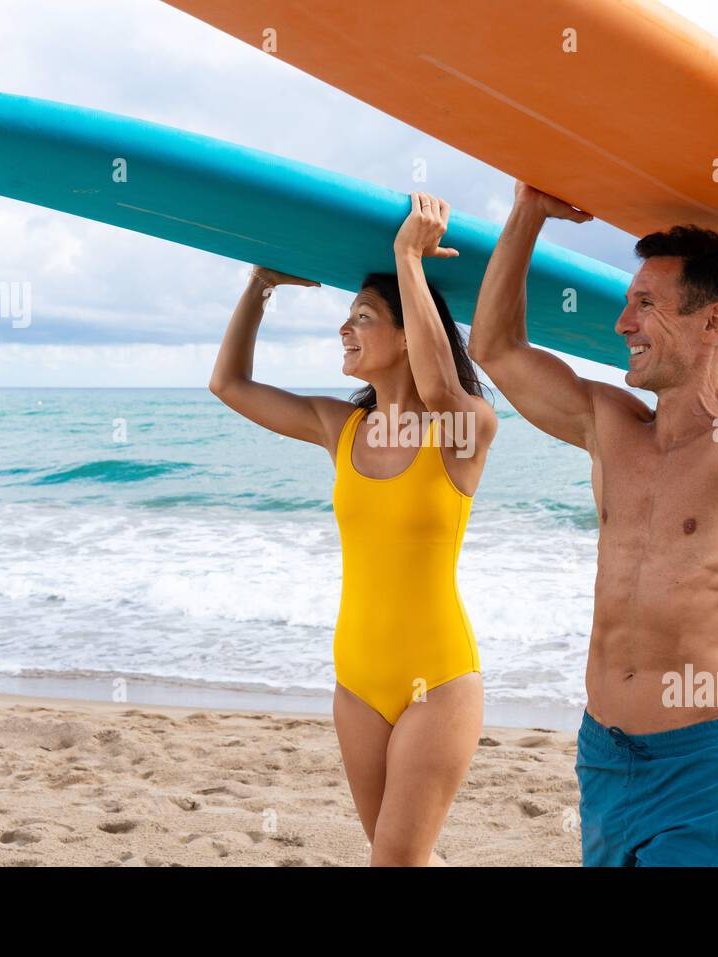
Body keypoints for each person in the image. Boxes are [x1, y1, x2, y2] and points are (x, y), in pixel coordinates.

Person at [469, 110, 718, 866]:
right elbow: (494, 345)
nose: (622, 320)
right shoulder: (608, 423)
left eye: (646, 304)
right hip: (602, 756)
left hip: (706, 768)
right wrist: (528, 210)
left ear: (715, 321)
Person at [209, 192, 498, 866]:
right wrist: (260, 286)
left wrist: (408, 258)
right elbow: (229, 382)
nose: (345, 329)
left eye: (363, 319)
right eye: (346, 318)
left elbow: (437, 380)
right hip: (355, 681)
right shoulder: (340, 428)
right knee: (406, 857)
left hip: (441, 679)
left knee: (392, 861)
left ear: (408, 333)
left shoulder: (462, 430)